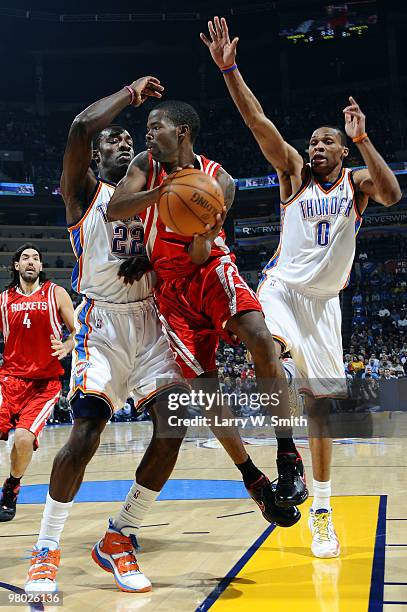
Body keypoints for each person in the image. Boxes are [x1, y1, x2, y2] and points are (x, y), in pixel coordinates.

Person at [200, 16, 401, 557]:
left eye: (326, 141)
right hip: (282, 291)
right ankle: (285, 455)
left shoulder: (357, 184)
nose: (315, 146)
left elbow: (391, 194)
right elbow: (257, 121)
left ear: (341, 151)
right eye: (313, 140)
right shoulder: (291, 173)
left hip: (325, 307)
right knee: (272, 350)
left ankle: (322, 512)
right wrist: (229, 71)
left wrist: (363, 140)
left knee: (320, 411)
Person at [25, 76, 189, 595]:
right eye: (112, 140)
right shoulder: (83, 194)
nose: (125, 142)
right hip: (102, 323)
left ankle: (120, 535)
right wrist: (130, 94)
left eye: (128, 138)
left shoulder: (158, 198)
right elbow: (78, 127)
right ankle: (46, 549)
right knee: (86, 434)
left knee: (174, 426)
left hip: (151, 320)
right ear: (95, 159)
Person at [106, 100, 308, 511]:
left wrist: (201, 234)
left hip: (210, 270)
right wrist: (163, 191)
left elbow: (201, 254)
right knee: (206, 390)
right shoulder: (146, 165)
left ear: (181, 131)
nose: (147, 134)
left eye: (154, 125)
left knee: (261, 339)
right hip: (169, 289)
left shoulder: (221, 181)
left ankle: (287, 452)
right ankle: (251, 474)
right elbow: (115, 210)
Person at [0, 244, 75, 521]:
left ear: (41, 267)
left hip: (43, 384)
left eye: (36, 258)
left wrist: (67, 345)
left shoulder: (56, 293)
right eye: (25, 258)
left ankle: (12, 486)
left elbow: (77, 332)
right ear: (17, 266)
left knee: (22, 439)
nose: (31, 262)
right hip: (8, 380)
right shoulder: (4, 300)